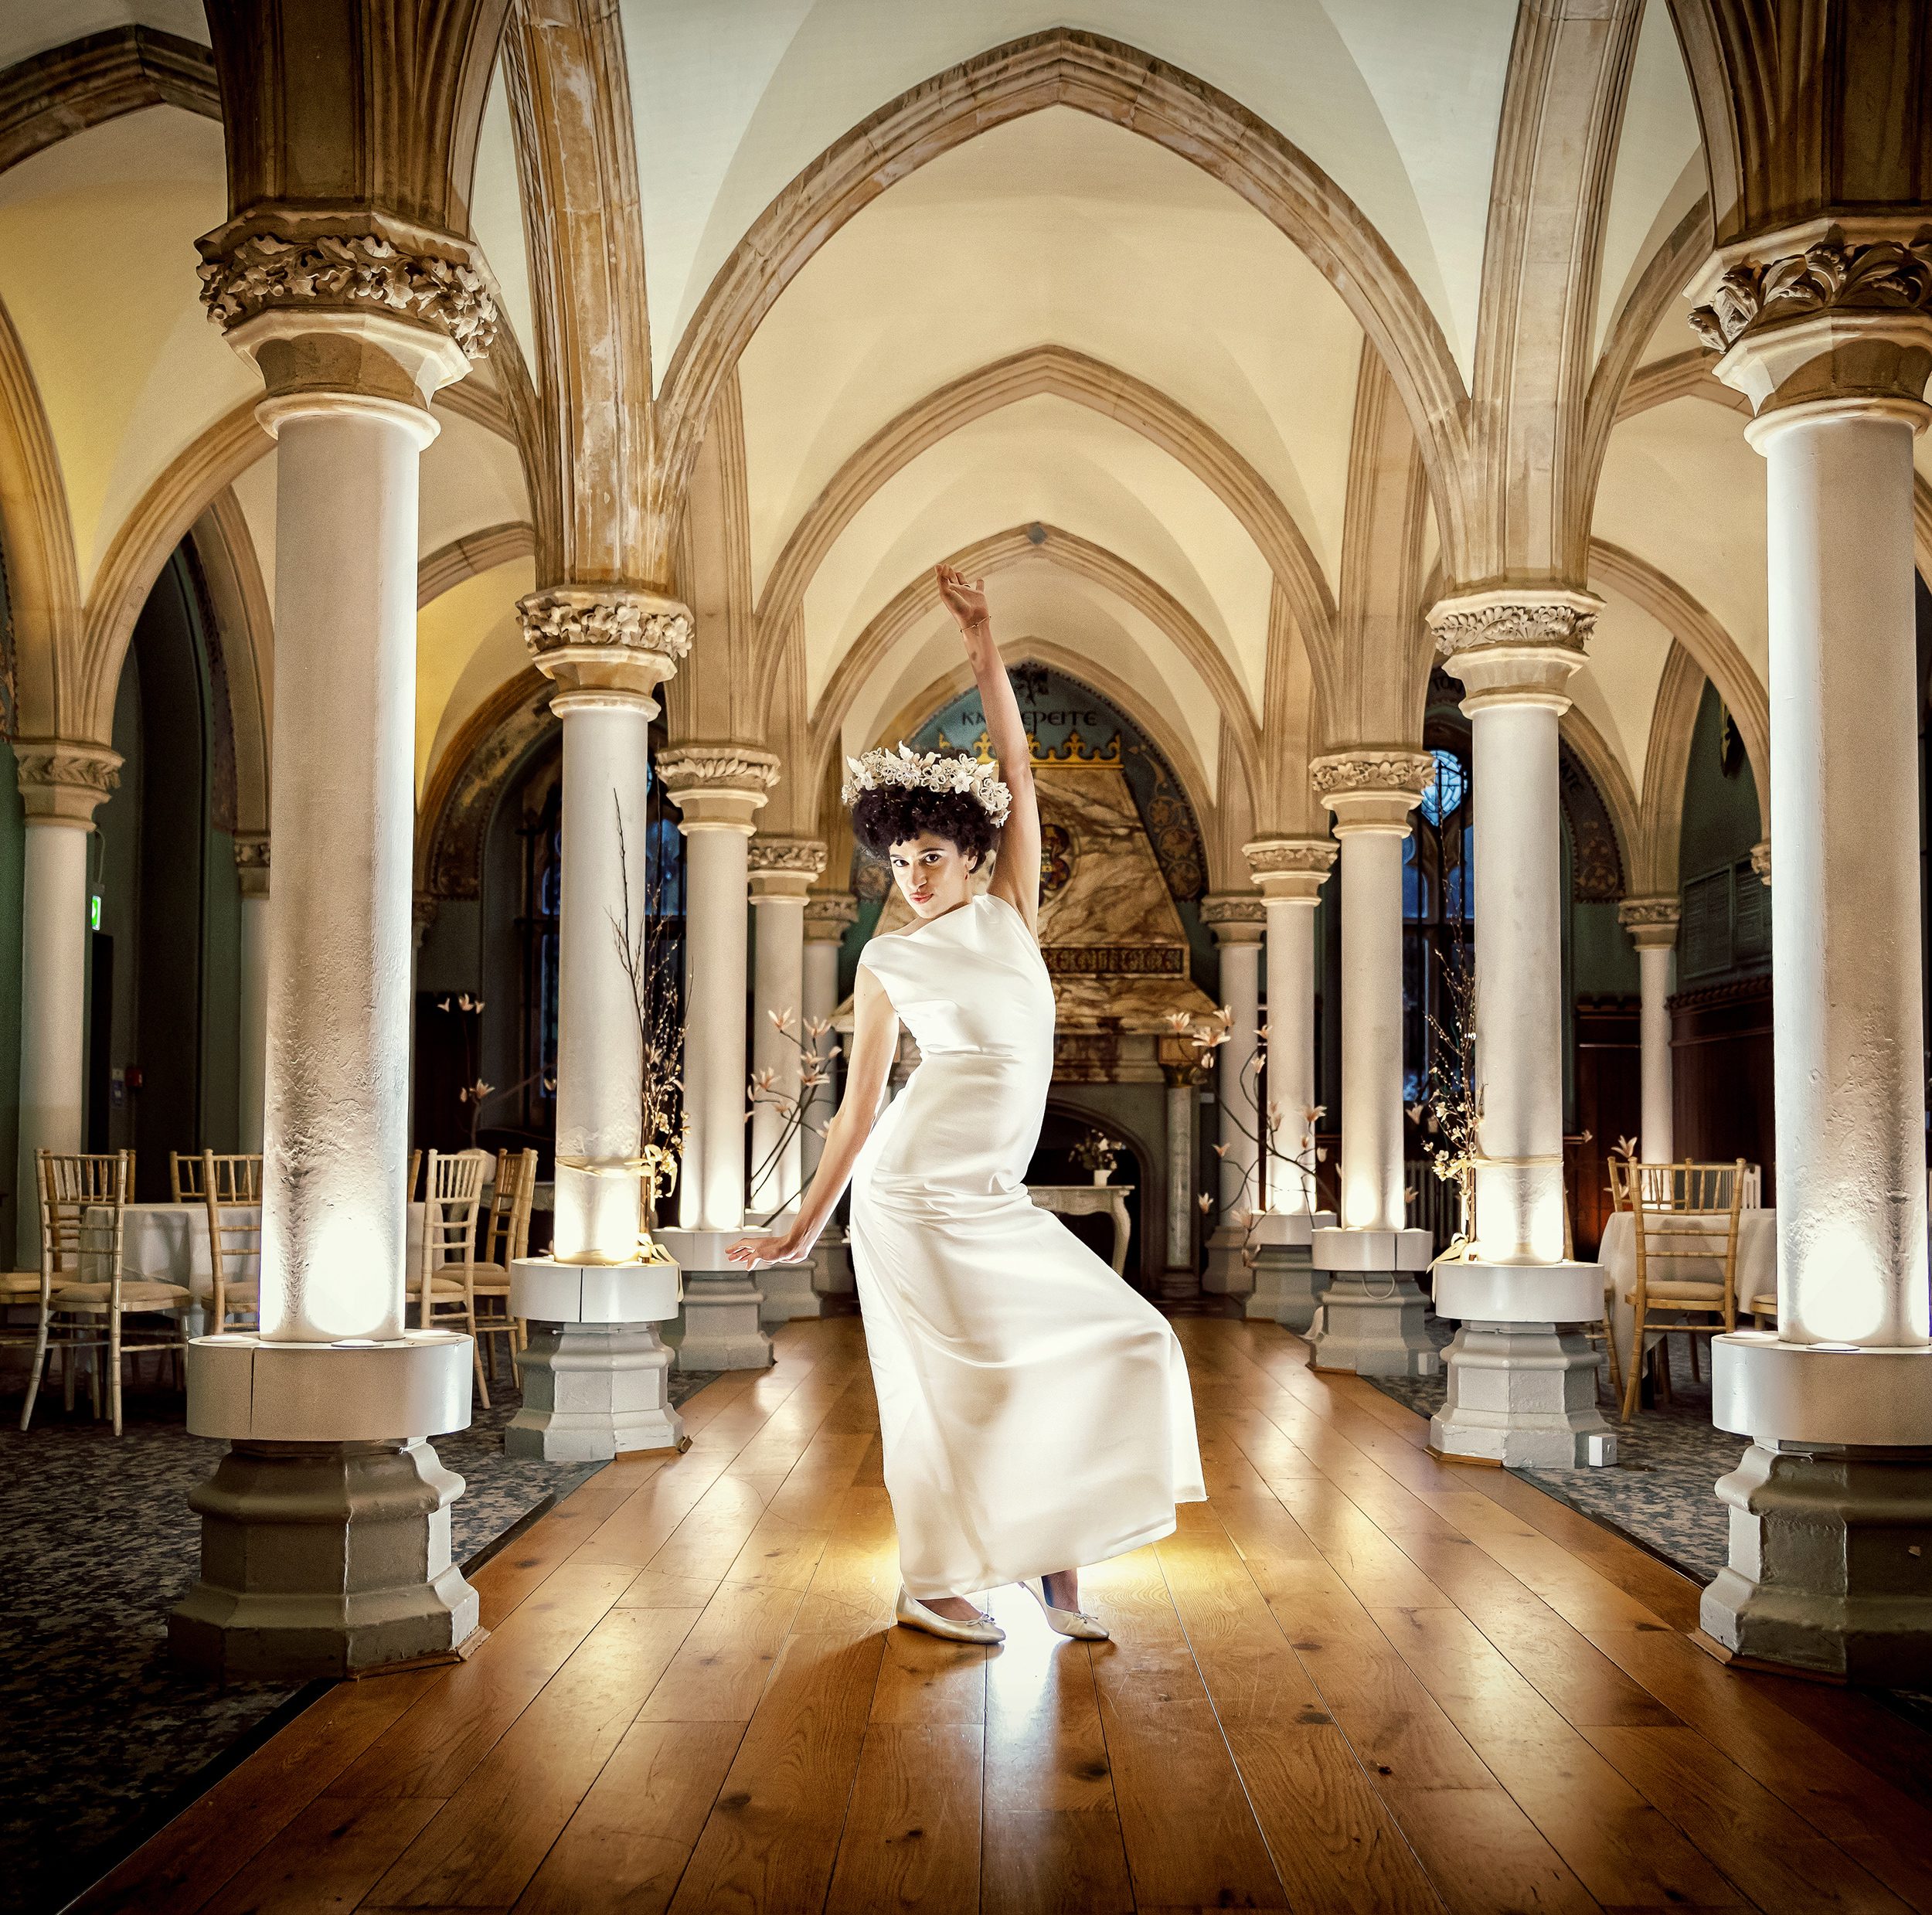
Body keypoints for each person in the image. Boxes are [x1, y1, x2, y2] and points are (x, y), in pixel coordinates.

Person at [728, 563, 1205, 1644]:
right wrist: (801, 1225)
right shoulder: (887, 961)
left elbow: (1023, 770)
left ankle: (1055, 1567)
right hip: (907, 1197)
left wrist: (985, 644)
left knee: (1116, 1342)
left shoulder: (1012, 909)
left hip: (989, 1199)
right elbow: (855, 1118)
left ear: (973, 852)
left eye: (929, 856)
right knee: (952, 1389)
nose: (911, 877)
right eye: (899, 861)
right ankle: (933, 1577)